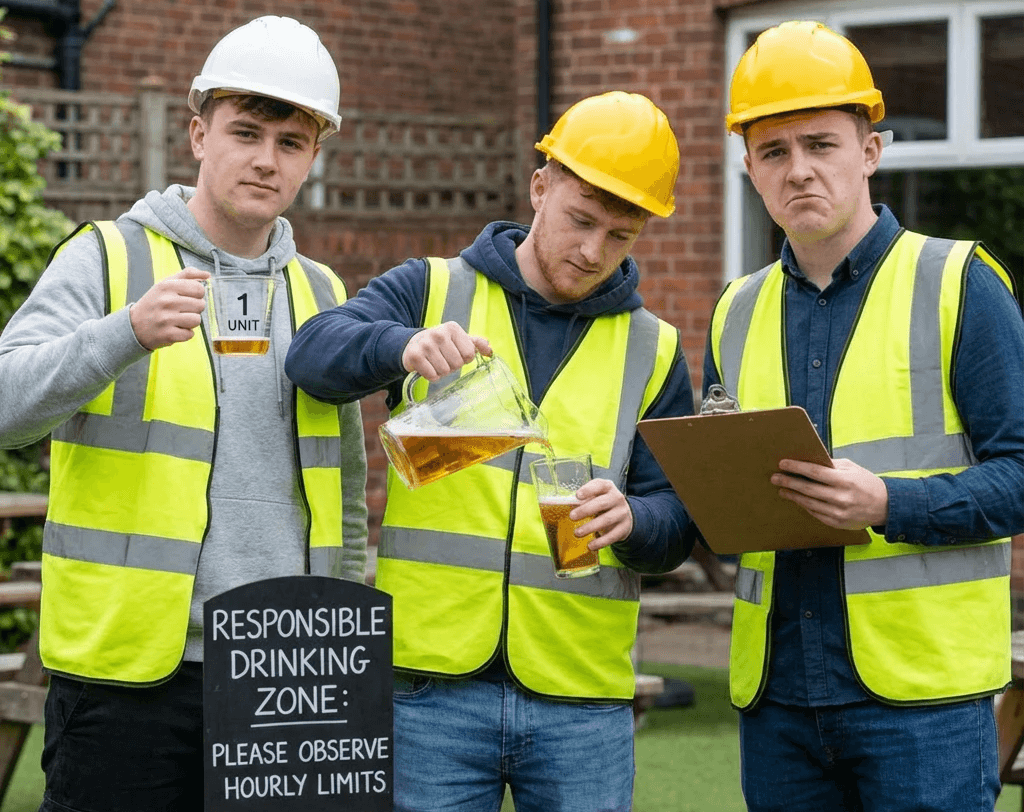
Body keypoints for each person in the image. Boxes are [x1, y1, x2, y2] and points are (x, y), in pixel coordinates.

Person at [285, 90, 696, 811]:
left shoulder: (655, 350)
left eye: (621, 235)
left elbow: (677, 525)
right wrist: (400, 344)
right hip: (427, 687)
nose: (593, 250)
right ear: (540, 186)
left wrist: (634, 520)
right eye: (580, 221)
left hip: (581, 696)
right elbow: (311, 355)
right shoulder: (431, 288)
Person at [0, 15, 368, 812]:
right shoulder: (108, 257)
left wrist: (346, 638)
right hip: (127, 675)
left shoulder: (323, 293)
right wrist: (122, 332)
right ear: (198, 135)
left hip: (286, 669)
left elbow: (343, 485)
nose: (266, 160)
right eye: (245, 132)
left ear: (312, 158)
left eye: (291, 142)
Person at [707, 20, 1024, 812]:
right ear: (748, 167)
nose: (799, 170)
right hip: (776, 698)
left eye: (821, 144)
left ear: (871, 151)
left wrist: (890, 503)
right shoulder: (733, 314)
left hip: (921, 702)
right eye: (774, 152)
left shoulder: (959, 284)